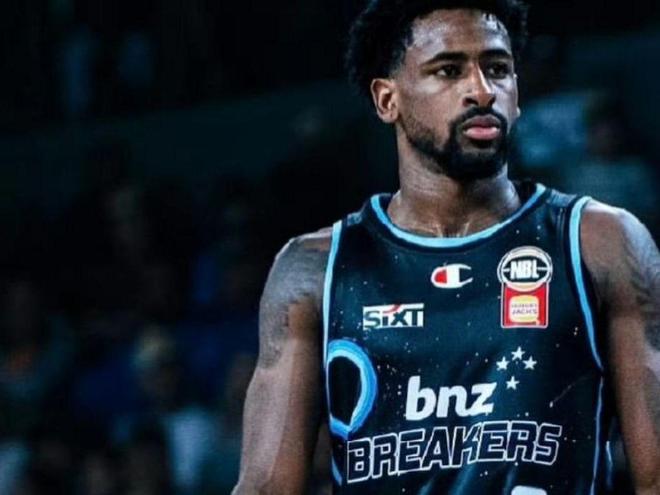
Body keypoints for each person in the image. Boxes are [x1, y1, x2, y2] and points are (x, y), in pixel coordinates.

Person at [233, 1, 660, 494]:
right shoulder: (316, 269)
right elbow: (266, 487)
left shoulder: (599, 243)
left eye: (497, 69)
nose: (482, 90)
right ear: (387, 100)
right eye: (449, 70)